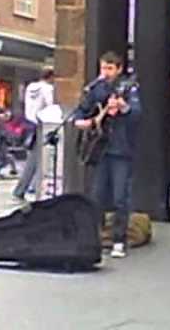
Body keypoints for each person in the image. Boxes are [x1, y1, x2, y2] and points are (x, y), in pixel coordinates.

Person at [74, 52, 141, 258]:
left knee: (121, 196)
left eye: (110, 68)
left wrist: (124, 107)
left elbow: (137, 113)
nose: (105, 73)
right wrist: (81, 121)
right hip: (100, 147)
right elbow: (82, 110)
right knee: (97, 195)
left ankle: (119, 240)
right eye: (103, 68)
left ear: (119, 69)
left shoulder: (129, 88)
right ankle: (96, 236)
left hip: (121, 148)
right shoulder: (96, 88)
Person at [12, 68, 55, 201]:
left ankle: (30, 187)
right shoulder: (48, 89)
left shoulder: (30, 87)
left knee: (32, 158)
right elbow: (51, 106)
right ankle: (21, 189)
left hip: (28, 124)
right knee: (36, 159)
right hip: (41, 125)